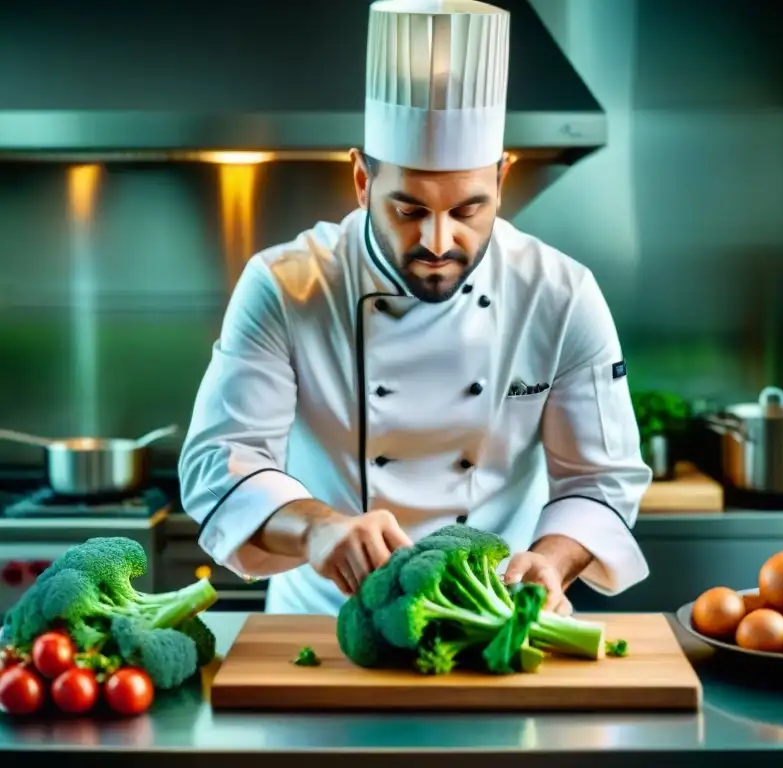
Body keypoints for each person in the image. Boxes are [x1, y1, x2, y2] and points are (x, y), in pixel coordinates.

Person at [178, 0, 652, 616]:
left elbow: (602, 477)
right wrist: (317, 527)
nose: (437, 241)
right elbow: (221, 461)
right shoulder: (286, 285)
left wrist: (552, 560)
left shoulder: (559, 294)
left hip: (491, 617)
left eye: (467, 211)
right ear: (361, 180)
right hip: (321, 625)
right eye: (408, 210)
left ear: (502, 179)